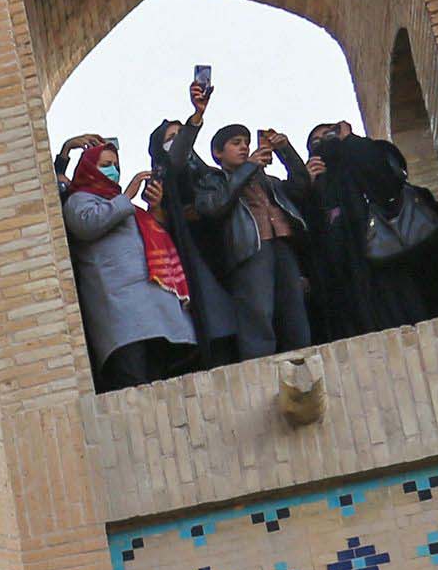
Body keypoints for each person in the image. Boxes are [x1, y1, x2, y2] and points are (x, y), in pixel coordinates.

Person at [297, 122, 438, 334]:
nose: (324, 142)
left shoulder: (370, 150)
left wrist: (351, 141)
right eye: (316, 142)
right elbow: (314, 233)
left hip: (403, 257)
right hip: (360, 274)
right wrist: (307, 185)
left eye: (329, 134)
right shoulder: (320, 183)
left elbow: (387, 181)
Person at [56, 134, 198, 390]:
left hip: (154, 308)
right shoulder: (79, 199)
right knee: (133, 381)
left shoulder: (126, 207)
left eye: (116, 165)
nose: (114, 171)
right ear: (88, 167)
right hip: (119, 309)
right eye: (105, 164)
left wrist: (154, 209)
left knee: (161, 380)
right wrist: (128, 194)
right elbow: (87, 225)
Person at [189, 123, 314, 362]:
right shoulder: (212, 181)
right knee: (257, 314)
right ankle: (260, 368)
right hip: (249, 251)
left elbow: (301, 186)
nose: (244, 148)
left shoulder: (267, 180)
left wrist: (285, 150)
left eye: (246, 143)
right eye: (235, 143)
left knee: (293, 310)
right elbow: (214, 207)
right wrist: (248, 168)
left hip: (282, 245)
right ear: (218, 153)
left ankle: (302, 361)